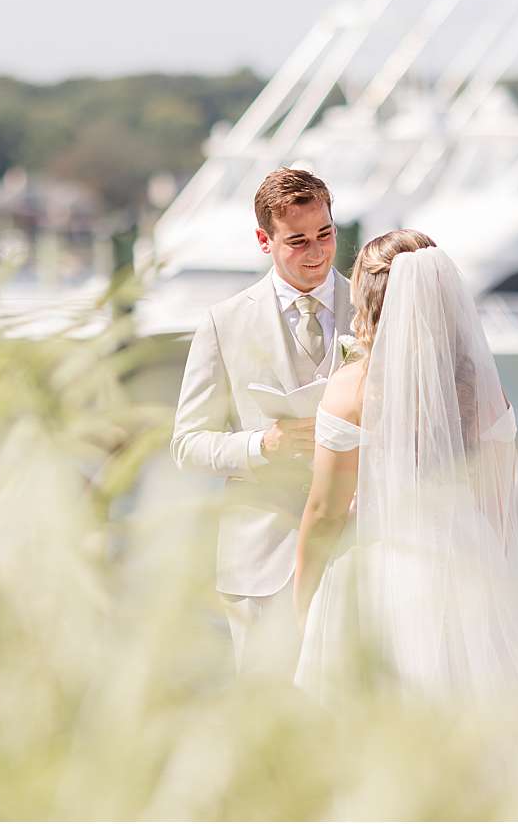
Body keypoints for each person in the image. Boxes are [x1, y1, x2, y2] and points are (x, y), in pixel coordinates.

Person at [292, 231, 518, 704]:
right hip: (466, 561)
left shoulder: (352, 387)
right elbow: (498, 505)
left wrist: (303, 602)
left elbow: (324, 511)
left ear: (370, 299)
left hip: (378, 565)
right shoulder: (482, 390)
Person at [171, 168, 354, 677]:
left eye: (325, 234)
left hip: (361, 548)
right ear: (263, 240)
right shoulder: (223, 322)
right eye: (297, 241)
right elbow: (186, 444)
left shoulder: (373, 306)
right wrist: (260, 447)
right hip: (261, 562)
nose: (316, 252)